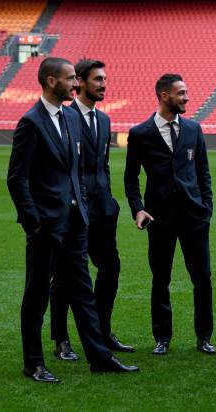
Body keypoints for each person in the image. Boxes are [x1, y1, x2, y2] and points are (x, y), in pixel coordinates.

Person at [7, 57, 138, 383]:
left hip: (75, 223)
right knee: (37, 295)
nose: (74, 85)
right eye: (69, 79)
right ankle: (33, 363)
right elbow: (16, 178)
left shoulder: (69, 118)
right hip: (46, 227)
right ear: (52, 82)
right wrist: (33, 221)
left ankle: (99, 358)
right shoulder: (30, 122)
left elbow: (76, 170)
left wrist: (79, 209)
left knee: (81, 293)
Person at [124, 73, 215, 355]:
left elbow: (203, 172)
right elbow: (130, 178)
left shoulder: (193, 129)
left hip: (193, 215)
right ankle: (162, 337)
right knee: (160, 279)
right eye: (181, 93)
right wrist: (138, 208)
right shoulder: (140, 133)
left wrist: (206, 208)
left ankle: (204, 337)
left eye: (186, 92)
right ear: (164, 96)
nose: (186, 97)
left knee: (202, 278)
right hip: (159, 218)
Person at [49, 59, 134, 361]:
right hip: (74, 213)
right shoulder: (65, 117)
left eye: (105, 79)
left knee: (110, 268)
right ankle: (61, 339)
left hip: (103, 211)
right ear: (80, 82)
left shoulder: (105, 120)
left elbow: (103, 165)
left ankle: (101, 331)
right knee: (65, 277)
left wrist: (110, 200)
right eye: (98, 79)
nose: (104, 84)